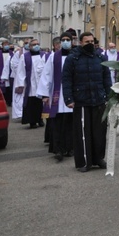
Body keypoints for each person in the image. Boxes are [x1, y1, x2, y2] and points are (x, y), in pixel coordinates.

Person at [61, 32, 112, 172]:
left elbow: (106, 78)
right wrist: (69, 99)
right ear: (81, 43)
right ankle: (84, 162)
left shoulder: (101, 57)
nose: (89, 44)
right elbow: (66, 79)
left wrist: (110, 96)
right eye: (86, 41)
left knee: (99, 132)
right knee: (83, 133)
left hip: (98, 99)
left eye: (91, 41)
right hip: (81, 100)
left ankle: (98, 158)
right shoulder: (73, 58)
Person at [37, 32, 75, 161]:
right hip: (57, 95)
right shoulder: (54, 57)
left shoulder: (76, 56)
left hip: (72, 95)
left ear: (72, 41)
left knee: (70, 123)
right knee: (58, 123)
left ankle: (70, 148)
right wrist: (44, 94)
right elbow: (46, 75)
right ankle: (58, 149)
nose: (65, 42)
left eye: (67, 40)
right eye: (63, 40)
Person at [16, 38, 47, 129]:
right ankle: (32, 121)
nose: (36, 46)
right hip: (31, 84)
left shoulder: (44, 55)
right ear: (29, 47)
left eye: (37, 44)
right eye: (34, 44)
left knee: (40, 103)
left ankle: (40, 119)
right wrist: (21, 84)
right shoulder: (25, 56)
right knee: (31, 103)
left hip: (41, 83)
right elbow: (21, 71)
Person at [0, 38, 13, 106]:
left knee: (9, 88)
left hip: (10, 74)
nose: (6, 45)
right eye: (5, 44)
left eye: (7, 44)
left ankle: (9, 101)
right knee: (2, 88)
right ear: (2, 46)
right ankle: (3, 101)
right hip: (1, 74)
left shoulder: (12, 53)